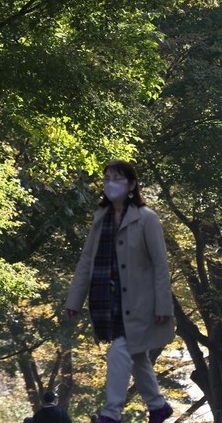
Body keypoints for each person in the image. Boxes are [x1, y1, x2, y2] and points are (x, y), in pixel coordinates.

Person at [66, 160, 175, 423]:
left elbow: (161, 264)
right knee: (136, 355)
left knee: (118, 351)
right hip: (108, 302)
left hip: (141, 303)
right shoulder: (100, 218)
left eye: (117, 179)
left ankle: (110, 413)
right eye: (107, 179)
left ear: (132, 185)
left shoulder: (147, 218)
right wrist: (74, 300)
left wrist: (163, 306)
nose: (110, 184)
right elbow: (87, 260)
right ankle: (158, 406)